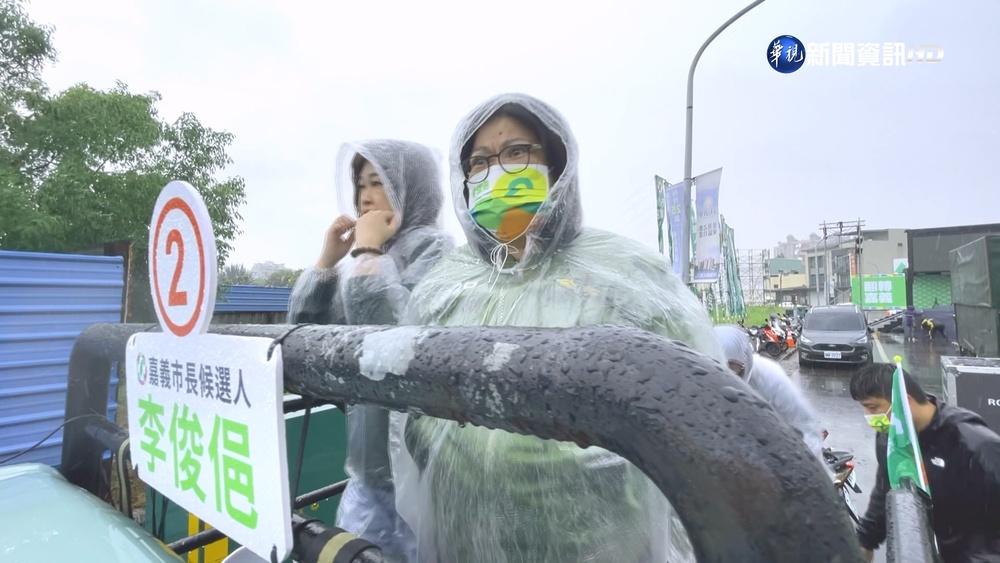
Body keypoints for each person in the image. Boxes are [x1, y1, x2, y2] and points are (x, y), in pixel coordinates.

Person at [388, 93, 725, 563]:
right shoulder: (445, 284)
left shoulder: (626, 273)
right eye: (479, 161)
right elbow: (410, 408)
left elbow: (696, 420)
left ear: (557, 162)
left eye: (516, 152)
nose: (496, 173)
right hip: (461, 540)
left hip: (594, 544)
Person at [287, 139, 453, 561]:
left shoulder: (437, 253)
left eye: (378, 183)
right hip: (367, 473)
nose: (364, 196)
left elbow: (394, 344)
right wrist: (326, 263)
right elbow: (306, 339)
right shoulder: (368, 257)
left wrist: (367, 253)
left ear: (411, 189)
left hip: (420, 479)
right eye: (361, 184)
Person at [849, 362, 1000, 562]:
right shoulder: (892, 437)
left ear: (905, 402)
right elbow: (886, 488)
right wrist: (865, 540)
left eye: (873, 407)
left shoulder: (973, 443)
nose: (869, 417)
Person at [714, 325, 825, 460]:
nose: (729, 377)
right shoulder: (710, 383)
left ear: (746, 360)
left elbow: (806, 427)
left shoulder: (769, 377)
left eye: (734, 369)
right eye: (721, 369)